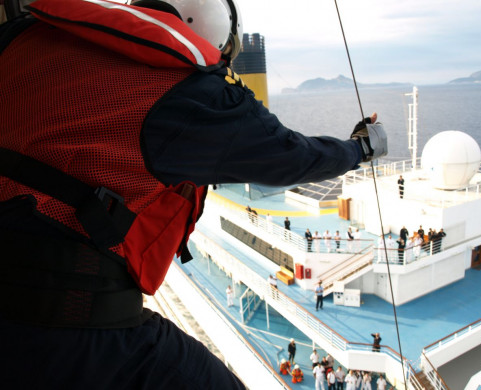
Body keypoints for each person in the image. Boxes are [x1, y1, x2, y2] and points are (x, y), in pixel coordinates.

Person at [0, 0, 387, 387]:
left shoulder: (21, 35)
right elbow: (293, 158)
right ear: (214, 35)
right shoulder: (190, 90)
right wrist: (360, 149)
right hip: (67, 318)